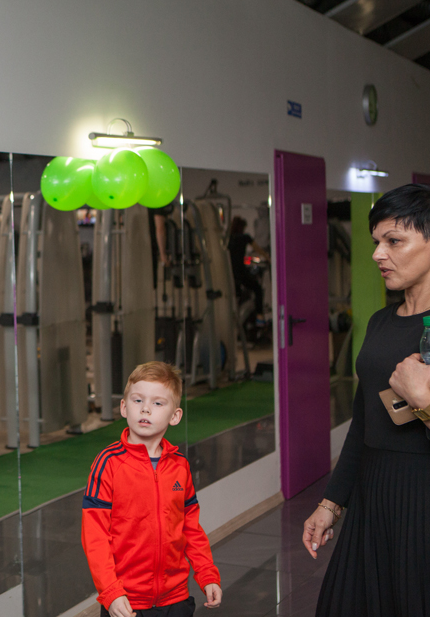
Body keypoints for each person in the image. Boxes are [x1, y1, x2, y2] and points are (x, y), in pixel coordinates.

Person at [303, 183, 430, 617]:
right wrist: (331, 503)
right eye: (377, 242)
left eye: (394, 241)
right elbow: (364, 423)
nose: (379, 254)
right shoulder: (381, 322)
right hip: (373, 500)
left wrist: (424, 401)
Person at [82, 361, 222, 617]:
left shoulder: (179, 466)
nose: (145, 408)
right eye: (138, 400)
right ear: (124, 407)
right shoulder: (108, 463)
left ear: (175, 416)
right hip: (126, 601)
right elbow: (95, 536)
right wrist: (111, 591)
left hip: (176, 598)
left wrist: (207, 573)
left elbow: (191, 528)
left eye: (158, 403)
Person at [228, 216, 268, 323]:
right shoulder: (245, 237)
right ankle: (259, 316)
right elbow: (258, 250)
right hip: (241, 272)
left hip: (231, 273)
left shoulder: (229, 238)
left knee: (236, 294)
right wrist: (268, 258)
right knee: (257, 289)